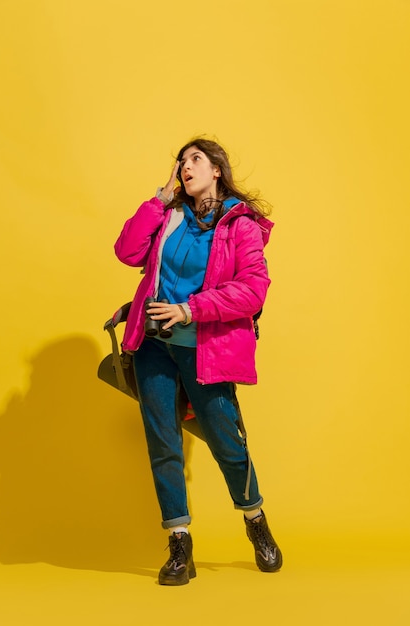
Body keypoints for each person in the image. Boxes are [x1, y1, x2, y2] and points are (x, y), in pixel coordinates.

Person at [114, 138, 282, 585]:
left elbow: (253, 289)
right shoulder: (168, 217)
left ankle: (254, 518)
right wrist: (156, 201)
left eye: (195, 160)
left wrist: (189, 310)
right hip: (153, 347)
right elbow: (127, 252)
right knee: (163, 443)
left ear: (217, 171)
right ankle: (179, 545)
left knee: (227, 442)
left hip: (206, 349)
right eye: (181, 162)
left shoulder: (240, 226)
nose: (185, 168)